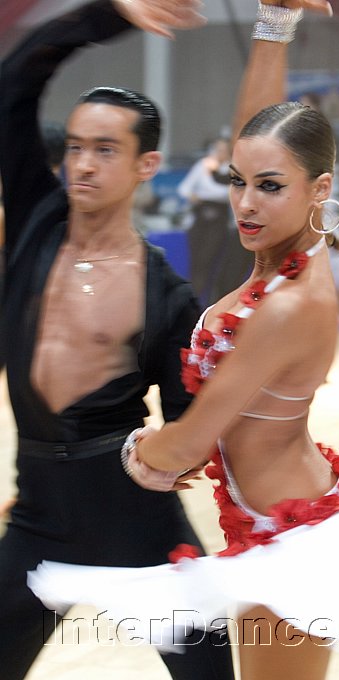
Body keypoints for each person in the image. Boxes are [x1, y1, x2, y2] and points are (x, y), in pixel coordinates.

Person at [28, 2, 339, 680]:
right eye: (238, 182)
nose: (247, 204)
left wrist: (135, 452)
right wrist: (274, 24)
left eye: (269, 188)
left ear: (318, 189)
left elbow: (189, 444)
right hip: (264, 526)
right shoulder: (288, 249)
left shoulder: (291, 304)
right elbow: (259, 135)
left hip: (299, 539)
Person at [0, 2, 236, 679]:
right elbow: (15, 80)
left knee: (209, 671)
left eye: (105, 150)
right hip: (38, 513)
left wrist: (167, 450)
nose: (83, 164)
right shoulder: (37, 221)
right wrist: (109, 12)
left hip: (137, 518)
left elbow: (188, 431)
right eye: (76, 147)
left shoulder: (167, 295)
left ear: (145, 163)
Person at [178, 137, 233, 306]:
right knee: (196, 262)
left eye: (223, 149)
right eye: (216, 149)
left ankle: (206, 302)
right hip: (200, 218)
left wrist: (206, 193)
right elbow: (184, 188)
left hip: (219, 221)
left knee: (208, 261)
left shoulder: (232, 170)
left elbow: (226, 193)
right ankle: (190, 302)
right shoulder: (203, 165)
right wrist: (194, 196)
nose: (219, 153)